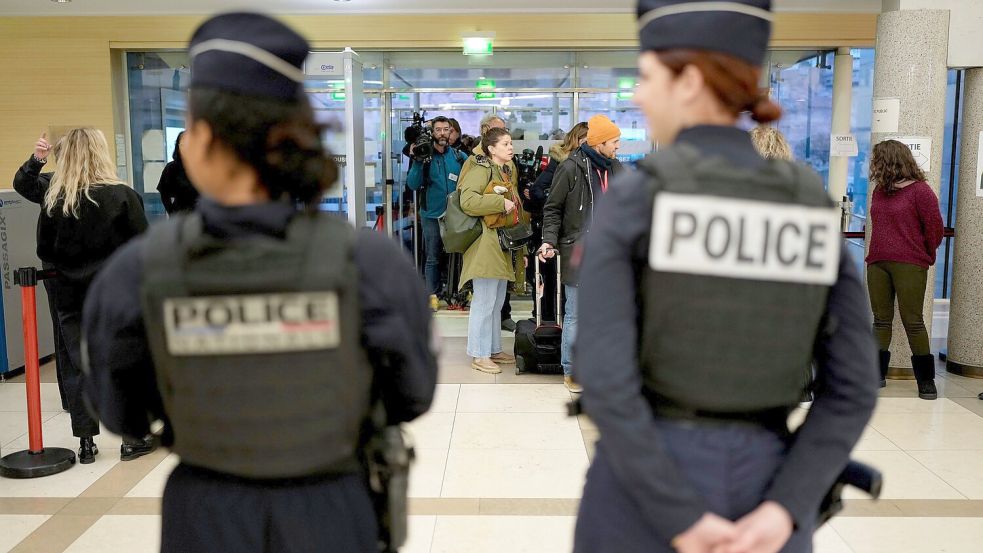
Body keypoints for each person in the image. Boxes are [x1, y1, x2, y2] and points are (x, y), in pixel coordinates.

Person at [81, 13, 437, 552]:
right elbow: (411, 394)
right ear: (296, 138)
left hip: (205, 513)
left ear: (198, 143)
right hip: (334, 510)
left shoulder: (139, 269)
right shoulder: (369, 261)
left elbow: (120, 410)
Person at [573, 2, 879, 552]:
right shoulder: (809, 206)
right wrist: (788, 506)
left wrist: (679, 515)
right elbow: (853, 387)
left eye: (646, 76)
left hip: (642, 496)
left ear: (689, 81)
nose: (639, 96)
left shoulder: (639, 199)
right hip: (769, 487)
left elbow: (605, 377)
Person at [13, 127, 150, 464]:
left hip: (68, 294)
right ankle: (132, 439)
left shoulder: (55, 200)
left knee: (76, 366)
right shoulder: (122, 196)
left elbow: (44, 247)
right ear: (100, 153)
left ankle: (86, 444)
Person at [539, 114, 624, 393]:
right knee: (576, 312)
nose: (618, 147)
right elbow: (552, 209)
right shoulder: (571, 168)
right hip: (579, 249)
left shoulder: (617, 169)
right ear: (599, 142)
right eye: (614, 142)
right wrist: (548, 241)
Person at [866, 139, 944, 399]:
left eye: (877, 159)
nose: (873, 164)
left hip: (910, 263)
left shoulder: (920, 191)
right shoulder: (879, 190)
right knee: (880, 320)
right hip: (878, 261)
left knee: (913, 321)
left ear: (889, 160)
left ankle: (926, 381)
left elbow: (934, 229)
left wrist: (925, 255)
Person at [458, 127, 525, 374]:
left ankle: (494, 348)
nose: (510, 147)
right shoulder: (481, 168)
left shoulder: (504, 170)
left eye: (510, 143)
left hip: (499, 242)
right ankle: (480, 353)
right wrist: (499, 202)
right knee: (484, 301)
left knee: (496, 302)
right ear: (491, 148)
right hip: (484, 243)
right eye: (505, 144)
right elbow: (468, 201)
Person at [527, 122, 589, 323]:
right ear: (578, 140)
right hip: (557, 231)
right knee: (554, 279)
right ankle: (549, 321)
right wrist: (562, 204)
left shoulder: (592, 164)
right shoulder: (562, 161)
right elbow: (538, 190)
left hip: (575, 232)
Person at [406, 116, 466, 311]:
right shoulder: (425, 155)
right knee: (432, 256)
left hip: (456, 215)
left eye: (446, 129)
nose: (442, 133)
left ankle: (457, 293)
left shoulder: (458, 157)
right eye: (438, 129)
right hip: (431, 214)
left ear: (451, 132)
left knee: (458, 255)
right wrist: (417, 161)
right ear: (432, 132)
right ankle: (432, 294)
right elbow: (413, 184)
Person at [156, 131, 200, 214]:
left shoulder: (202, 167)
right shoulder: (171, 168)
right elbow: (164, 193)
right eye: (183, 145)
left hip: (202, 214)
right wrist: (171, 212)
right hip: (180, 214)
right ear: (178, 146)